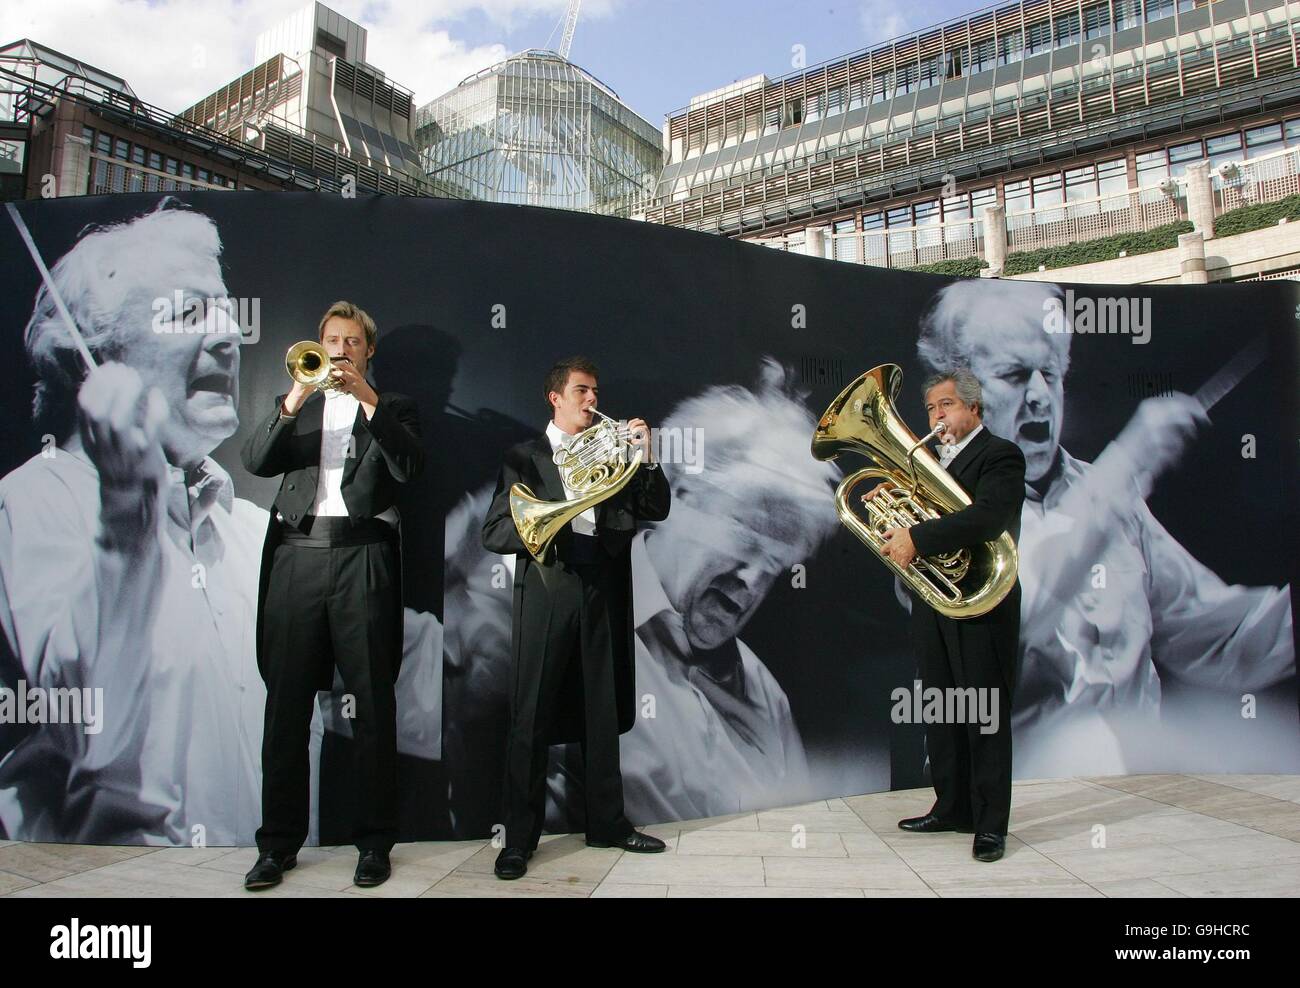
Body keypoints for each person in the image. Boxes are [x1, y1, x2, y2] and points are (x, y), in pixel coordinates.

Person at [915, 281, 1294, 776]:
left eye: (1050, 374)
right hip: (1016, 796)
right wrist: (1129, 464)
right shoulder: (929, 504)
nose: (1040, 396)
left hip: (1136, 800)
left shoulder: (1110, 493)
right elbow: (1021, 619)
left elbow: (1222, 640)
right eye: (1013, 375)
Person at [0, 201, 268, 845]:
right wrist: (127, 523)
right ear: (92, 356)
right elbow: (90, 735)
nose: (230, 335)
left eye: (226, 310)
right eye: (188, 312)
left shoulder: (253, 531)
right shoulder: (28, 504)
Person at [550, 357, 838, 823]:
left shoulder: (766, 693)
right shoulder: (583, 621)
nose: (753, 580)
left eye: (777, 562)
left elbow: (792, 820)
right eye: (749, 533)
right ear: (680, 492)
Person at [240, 301, 423, 890]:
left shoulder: (393, 408)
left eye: (351, 341)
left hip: (364, 555)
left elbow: (409, 465)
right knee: (285, 707)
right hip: (296, 556)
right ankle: (277, 846)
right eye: (331, 339)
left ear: (368, 350)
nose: (339, 349)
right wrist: (294, 395)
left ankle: (373, 844)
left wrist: (367, 398)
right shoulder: (300, 405)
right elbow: (256, 460)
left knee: (373, 704)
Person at [481, 356, 670, 880]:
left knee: (601, 711)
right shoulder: (524, 457)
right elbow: (494, 532)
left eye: (594, 391)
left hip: (603, 586)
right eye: (582, 390)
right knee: (532, 713)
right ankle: (518, 840)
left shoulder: (617, 450)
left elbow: (656, 509)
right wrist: (542, 522)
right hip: (548, 583)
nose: (592, 399)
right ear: (555, 397)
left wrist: (646, 458)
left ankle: (607, 824)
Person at [876, 369, 1025, 862]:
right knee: (942, 706)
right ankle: (951, 807)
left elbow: (988, 517)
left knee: (983, 712)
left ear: (973, 409)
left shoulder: (1000, 455)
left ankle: (990, 825)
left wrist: (917, 536)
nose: (937, 417)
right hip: (937, 601)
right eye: (932, 409)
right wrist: (895, 523)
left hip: (982, 601)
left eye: (946, 406)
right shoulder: (926, 465)